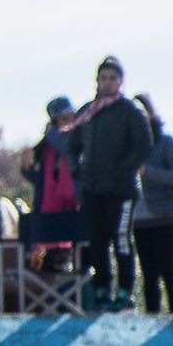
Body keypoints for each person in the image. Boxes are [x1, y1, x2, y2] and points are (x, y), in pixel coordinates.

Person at [68, 56, 152, 312]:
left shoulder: (131, 111)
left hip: (122, 189)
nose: (108, 82)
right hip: (93, 189)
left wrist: (122, 170)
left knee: (122, 240)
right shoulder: (88, 111)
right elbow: (73, 146)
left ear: (121, 81)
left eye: (113, 78)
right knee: (97, 241)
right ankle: (102, 290)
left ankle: (125, 292)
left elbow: (144, 145)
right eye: (103, 77)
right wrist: (78, 172)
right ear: (97, 81)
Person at [132, 94, 173, 313]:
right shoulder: (127, 146)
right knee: (149, 274)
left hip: (167, 215)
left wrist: (148, 172)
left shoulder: (167, 142)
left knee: (168, 269)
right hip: (139, 217)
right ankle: (152, 319)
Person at [20, 95, 79, 271]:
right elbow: (40, 180)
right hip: (46, 210)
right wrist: (26, 168)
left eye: (70, 116)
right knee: (40, 264)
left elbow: (68, 150)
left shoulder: (76, 139)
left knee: (71, 265)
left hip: (72, 210)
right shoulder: (47, 147)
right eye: (63, 118)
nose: (68, 122)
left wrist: (52, 134)